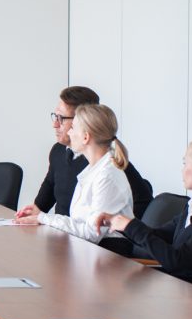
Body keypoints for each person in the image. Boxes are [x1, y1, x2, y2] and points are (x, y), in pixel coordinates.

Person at [94, 135, 192, 291]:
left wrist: (130, 226)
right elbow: (160, 236)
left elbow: (177, 260)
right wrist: (120, 223)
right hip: (177, 289)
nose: (182, 170)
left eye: (185, 163)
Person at [16, 86, 153, 220]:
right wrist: (33, 212)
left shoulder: (104, 162)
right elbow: (44, 198)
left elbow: (143, 208)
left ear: (84, 121)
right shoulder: (58, 151)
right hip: (62, 233)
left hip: (91, 238)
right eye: (55, 117)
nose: (55, 124)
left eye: (61, 118)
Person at [14, 104, 132, 242]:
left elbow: (92, 233)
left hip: (109, 255)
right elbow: (77, 222)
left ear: (85, 137)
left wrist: (43, 218)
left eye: (73, 128)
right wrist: (42, 218)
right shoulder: (93, 170)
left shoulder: (107, 176)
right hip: (86, 251)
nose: (69, 133)